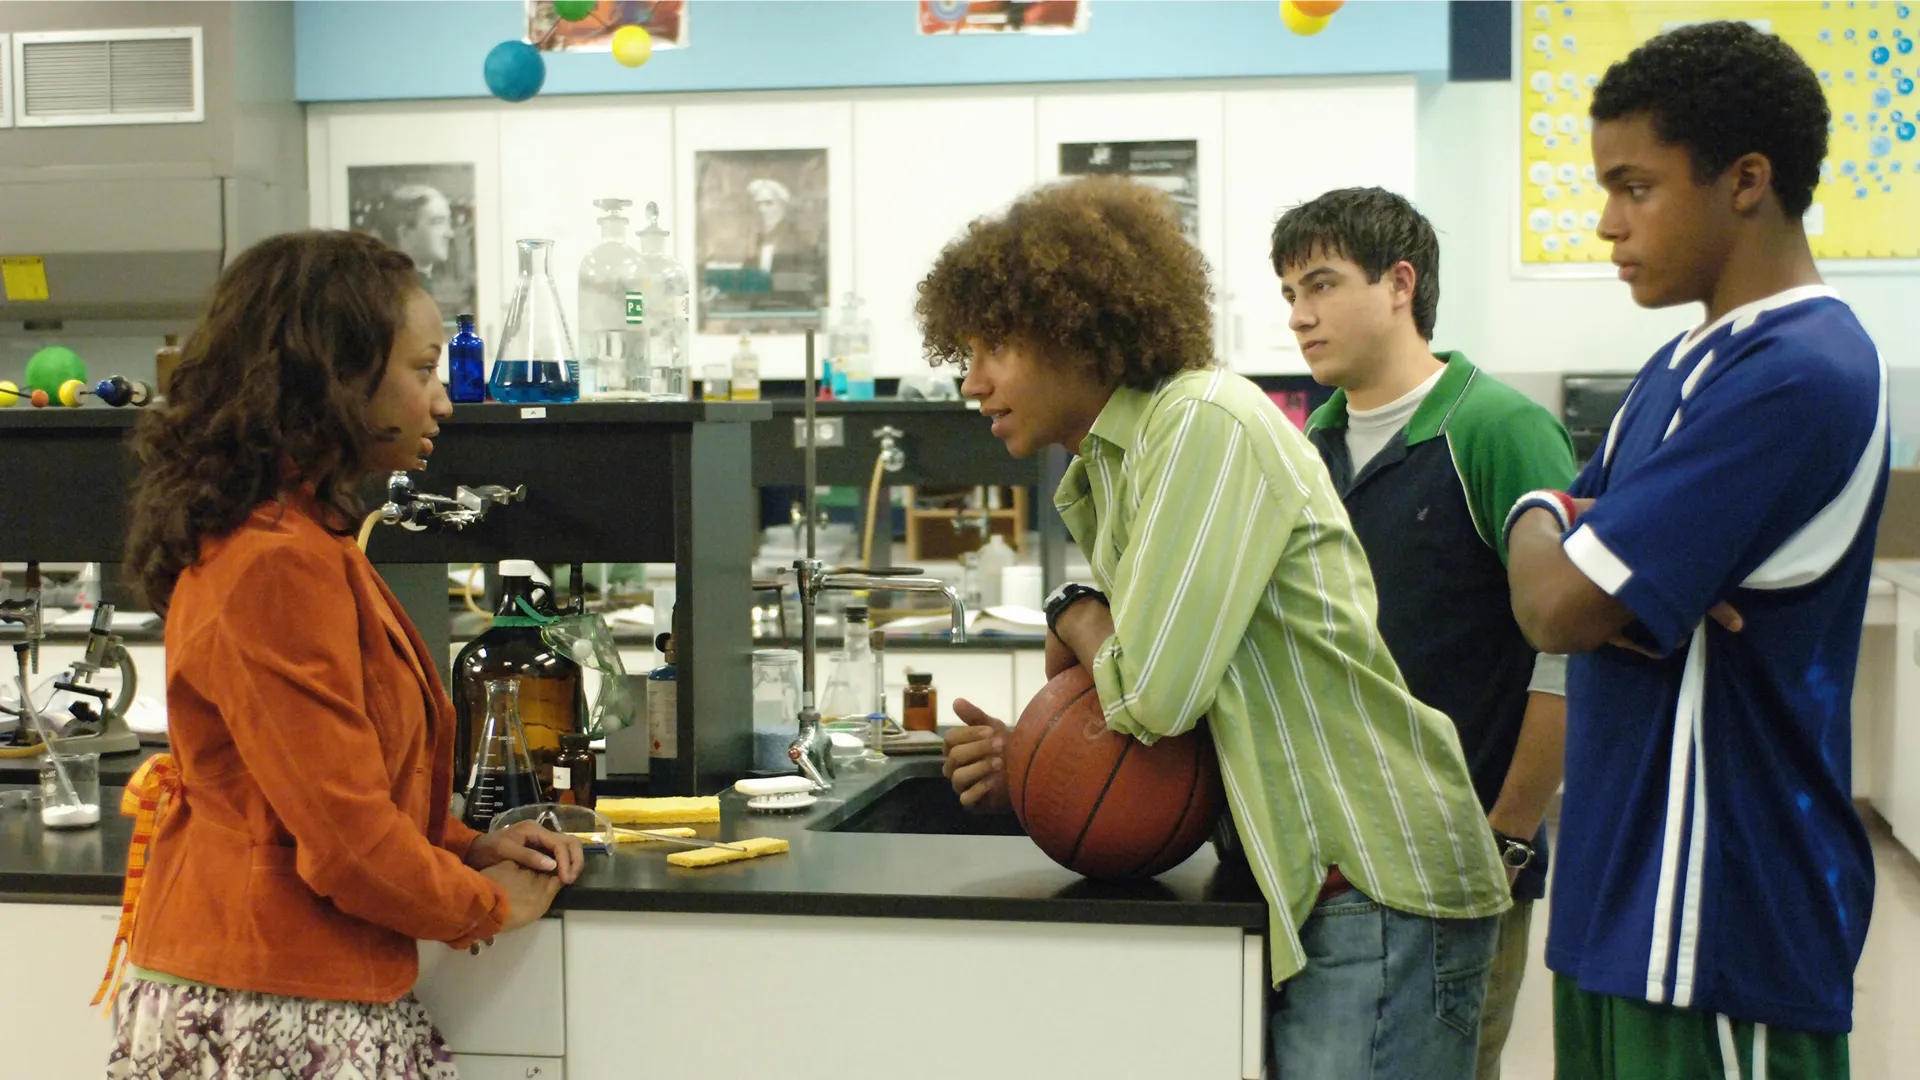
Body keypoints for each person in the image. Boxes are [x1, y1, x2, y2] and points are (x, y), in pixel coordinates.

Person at [924, 175, 1512, 1079]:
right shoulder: (1113, 468)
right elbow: (1169, 716)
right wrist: (1039, 765)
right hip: (1310, 889)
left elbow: (1154, 692)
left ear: (1076, 325)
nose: (974, 382)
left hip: (1374, 884)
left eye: (994, 344)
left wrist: (1077, 615)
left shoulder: (1199, 422)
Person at [105, 230, 584, 1078]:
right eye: (423, 369)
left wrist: (463, 843)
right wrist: (484, 905)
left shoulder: (294, 540)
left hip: (281, 990)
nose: (442, 402)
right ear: (334, 374)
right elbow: (347, 841)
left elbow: (333, 791)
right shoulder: (275, 563)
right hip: (262, 1002)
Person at [1503, 23, 1883, 1080]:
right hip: (1615, 905)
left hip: (1720, 924)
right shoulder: (1682, 365)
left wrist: (1571, 543)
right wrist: (1556, 518)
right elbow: (1551, 550)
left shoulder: (1804, 369)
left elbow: (1556, 609)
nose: (1604, 224)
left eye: (1635, 186)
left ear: (1746, 180)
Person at [1272, 187, 1576, 1080]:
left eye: (1320, 285)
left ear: (1399, 283)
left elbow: (1567, 654)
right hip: (1334, 875)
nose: (1299, 316)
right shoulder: (1310, 446)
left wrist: (1508, 837)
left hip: (1463, 866)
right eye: (1289, 292)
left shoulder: (1499, 430)